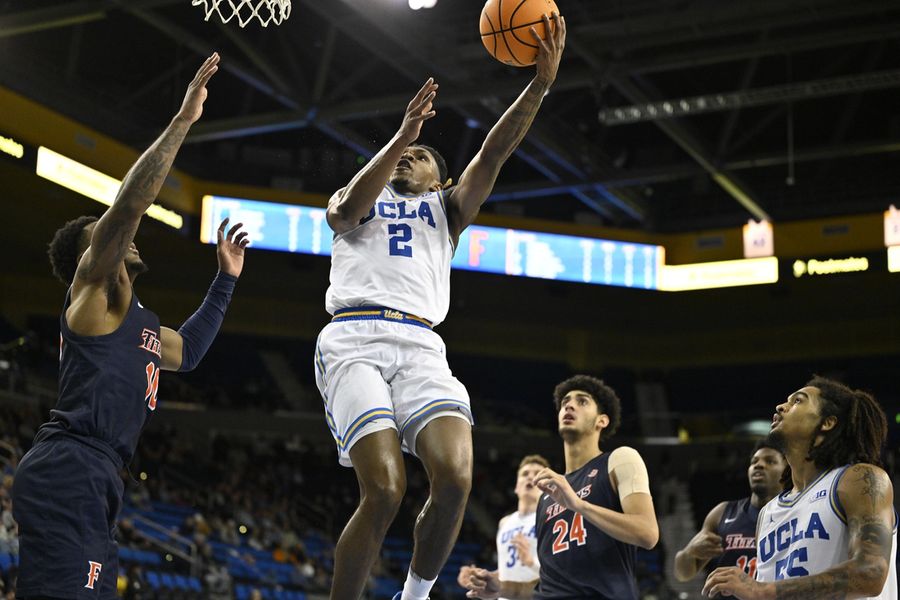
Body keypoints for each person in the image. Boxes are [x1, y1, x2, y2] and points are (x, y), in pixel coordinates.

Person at [313, 12, 567, 600]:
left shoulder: (447, 211)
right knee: (384, 490)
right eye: (405, 152)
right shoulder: (358, 198)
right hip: (354, 338)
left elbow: (495, 151)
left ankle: (415, 596)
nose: (409, 158)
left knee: (455, 477)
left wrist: (539, 85)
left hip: (422, 345)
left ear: (438, 177)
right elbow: (346, 213)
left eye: (421, 155)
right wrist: (401, 136)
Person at [11, 53, 250, 598]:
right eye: (110, 236)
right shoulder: (92, 293)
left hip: (97, 476)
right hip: (70, 466)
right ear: (91, 256)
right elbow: (131, 204)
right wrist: (183, 122)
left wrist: (225, 280)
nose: (127, 238)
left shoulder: (140, 322)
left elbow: (187, 351)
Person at [463, 375, 659, 599]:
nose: (569, 405)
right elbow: (546, 584)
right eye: (565, 401)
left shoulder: (619, 459)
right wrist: (501, 588)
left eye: (582, 401)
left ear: (601, 421)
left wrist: (579, 505)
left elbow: (648, 533)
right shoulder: (547, 497)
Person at [703, 376, 897, 599]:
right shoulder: (769, 512)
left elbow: (870, 573)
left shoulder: (859, 479)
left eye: (797, 401)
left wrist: (764, 590)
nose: (781, 406)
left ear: (827, 422)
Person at [674, 441, 786, 596]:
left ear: (786, 471)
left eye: (770, 461)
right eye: (754, 461)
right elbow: (683, 573)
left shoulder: (797, 513)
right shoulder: (723, 512)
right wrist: (689, 553)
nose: (759, 465)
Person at [458, 455, 548, 598]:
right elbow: (506, 570)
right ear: (517, 486)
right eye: (525, 474)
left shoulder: (551, 517)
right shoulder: (505, 522)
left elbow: (561, 572)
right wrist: (480, 576)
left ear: (546, 486)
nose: (530, 477)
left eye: (537, 474)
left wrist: (532, 562)